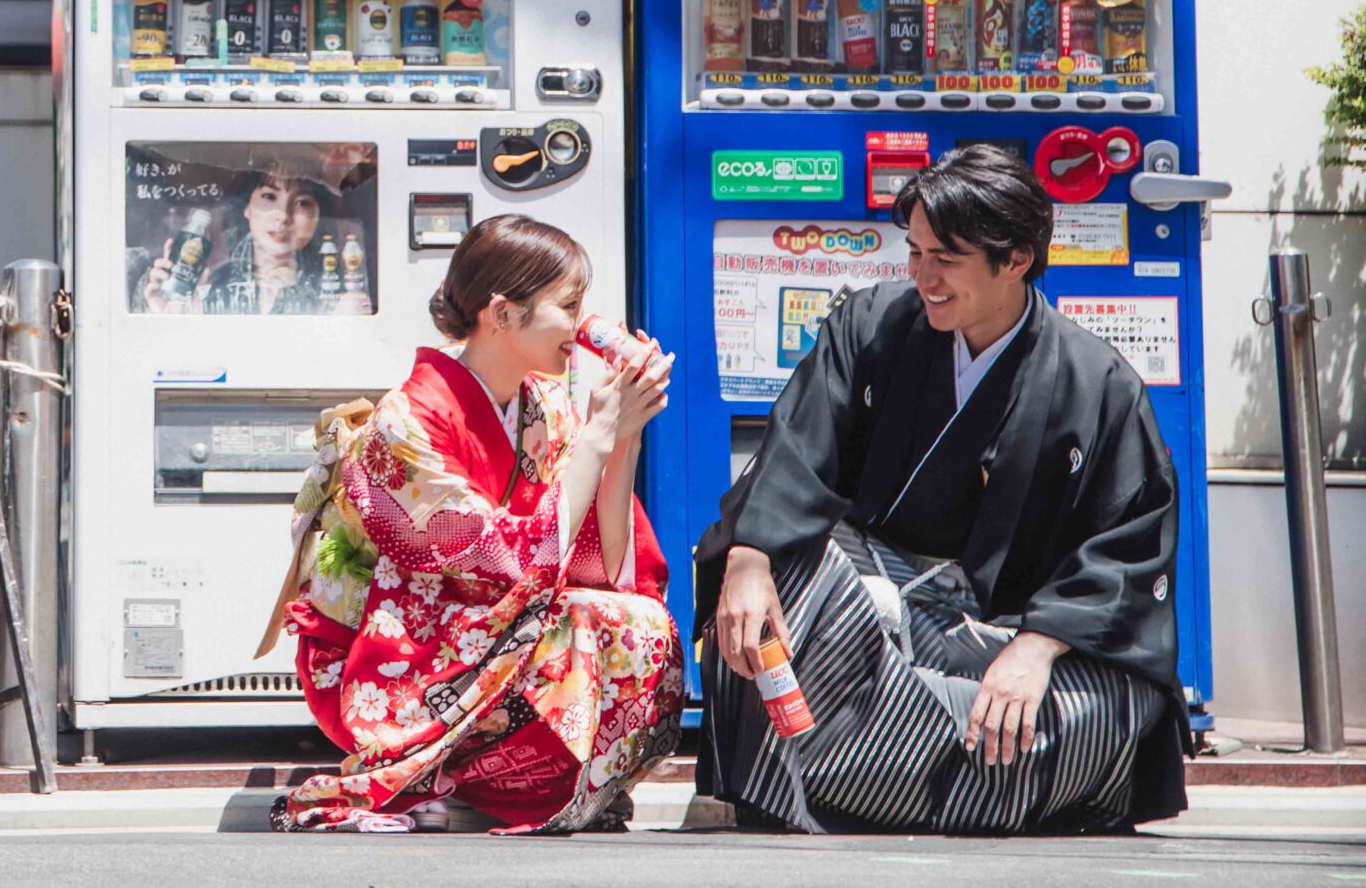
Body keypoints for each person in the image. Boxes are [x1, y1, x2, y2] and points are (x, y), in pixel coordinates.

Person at [694, 144, 1186, 834]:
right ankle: (941, 771)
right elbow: (792, 456)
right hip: (872, 619)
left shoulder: (1095, 382)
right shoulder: (871, 326)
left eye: (945, 259)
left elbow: (1128, 550)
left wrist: (1037, 647)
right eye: (915, 251)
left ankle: (865, 766)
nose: (923, 276)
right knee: (766, 581)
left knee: (1112, 709)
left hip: (1010, 639)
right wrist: (748, 557)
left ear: (1015, 259)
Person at [265, 215, 684, 833]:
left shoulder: (547, 407)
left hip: (481, 632)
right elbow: (519, 559)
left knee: (635, 621)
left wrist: (624, 441)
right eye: (567, 306)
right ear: (503, 313)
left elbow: (602, 564)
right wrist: (598, 436)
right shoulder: (406, 421)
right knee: (578, 621)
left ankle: (503, 781)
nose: (580, 325)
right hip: (392, 648)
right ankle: (442, 769)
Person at [200, 158, 341, 316]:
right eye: (269, 196)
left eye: (302, 203)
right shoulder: (213, 285)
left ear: (319, 216)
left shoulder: (338, 290)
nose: (282, 215)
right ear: (247, 207)